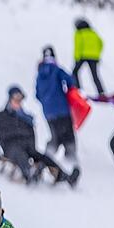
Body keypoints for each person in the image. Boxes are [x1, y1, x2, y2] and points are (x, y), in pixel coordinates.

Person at [0, 85, 79, 187]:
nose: (18, 101)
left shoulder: (26, 118)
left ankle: (65, 177)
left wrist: (32, 148)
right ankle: (29, 173)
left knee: (43, 157)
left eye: (20, 99)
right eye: (15, 98)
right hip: (10, 146)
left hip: (27, 146)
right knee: (19, 153)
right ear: (9, 99)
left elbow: (32, 135)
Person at [35, 45, 80, 176]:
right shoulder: (56, 69)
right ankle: (71, 159)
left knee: (55, 136)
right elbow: (70, 81)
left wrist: (47, 101)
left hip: (48, 113)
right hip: (62, 110)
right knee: (68, 136)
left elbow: (37, 94)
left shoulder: (39, 74)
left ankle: (46, 158)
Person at [72, 18, 105, 96]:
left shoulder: (79, 33)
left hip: (83, 56)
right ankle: (101, 92)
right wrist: (97, 54)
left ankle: (78, 90)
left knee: (75, 72)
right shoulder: (93, 33)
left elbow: (78, 46)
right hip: (94, 57)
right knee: (95, 75)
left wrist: (76, 58)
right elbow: (101, 43)